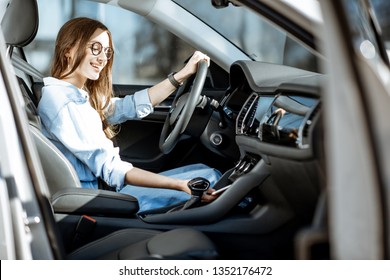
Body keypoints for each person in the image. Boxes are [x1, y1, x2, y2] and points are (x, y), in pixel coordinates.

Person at [37, 17, 221, 213]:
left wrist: (180, 76)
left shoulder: (74, 96)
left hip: (102, 191)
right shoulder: (66, 103)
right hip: (97, 201)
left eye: (107, 52)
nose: (102, 58)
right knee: (210, 178)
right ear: (68, 50)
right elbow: (112, 168)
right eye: (95, 48)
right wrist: (180, 185)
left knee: (205, 172)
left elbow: (128, 106)